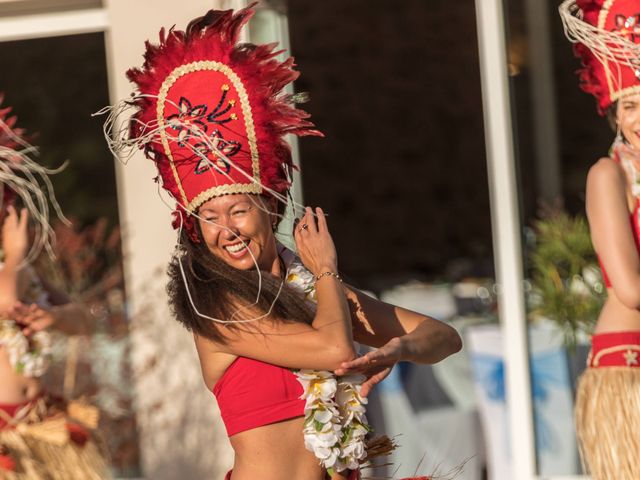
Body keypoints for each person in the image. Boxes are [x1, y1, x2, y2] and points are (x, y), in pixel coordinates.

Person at [107, 5, 462, 479]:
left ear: (270, 208)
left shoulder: (314, 292)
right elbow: (335, 350)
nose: (225, 230)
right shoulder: (216, 304)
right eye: (209, 217)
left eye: (237, 211)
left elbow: (445, 337)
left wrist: (399, 348)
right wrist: (327, 271)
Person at [0, 97, 110, 479]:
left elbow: (84, 322)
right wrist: (13, 255)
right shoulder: (14, 267)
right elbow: (6, 302)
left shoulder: (23, 270)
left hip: (44, 422)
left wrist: (54, 316)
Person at [560, 1, 640, 478]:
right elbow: (630, 288)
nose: (638, 117)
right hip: (630, 366)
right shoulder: (607, 175)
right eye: (629, 104)